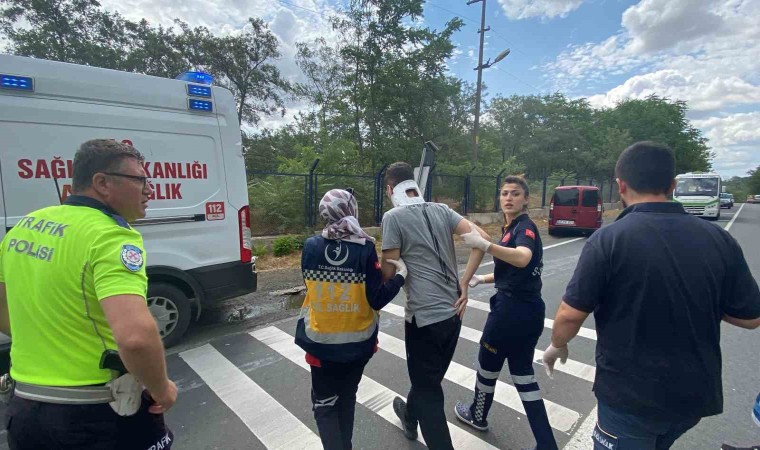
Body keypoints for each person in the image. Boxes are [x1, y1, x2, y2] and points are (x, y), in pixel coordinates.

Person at [542, 141, 760, 450]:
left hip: (631, 399)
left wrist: (557, 345)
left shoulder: (609, 239)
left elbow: (569, 314)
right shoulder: (719, 239)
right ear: (672, 185)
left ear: (621, 185)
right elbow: (751, 318)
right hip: (693, 396)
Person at [0, 139, 177, 450]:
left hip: (25, 410)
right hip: (96, 414)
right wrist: (162, 389)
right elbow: (136, 338)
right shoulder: (110, 236)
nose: (149, 190)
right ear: (102, 183)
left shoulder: (24, 227)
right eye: (139, 180)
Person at [380, 162, 488, 450]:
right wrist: (464, 282)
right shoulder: (442, 210)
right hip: (454, 313)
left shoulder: (393, 217)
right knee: (427, 380)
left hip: (424, 319)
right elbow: (483, 240)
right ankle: (409, 416)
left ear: (390, 189)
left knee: (428, 391)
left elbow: (388, 273)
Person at [295, 188, 408, 450]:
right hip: (358, 345)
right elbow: (377, 299)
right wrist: (400, 276)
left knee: (325, 406)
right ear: (351, 210)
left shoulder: (311, 246)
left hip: (320, 344)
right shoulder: (364, 248)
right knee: (347, 400)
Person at [454, 176, 558, 450]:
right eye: (504, 193)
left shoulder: (525, 228)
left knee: (487, 365)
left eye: (515, 193)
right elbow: (518, 271)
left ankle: (478, 415)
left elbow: (522, 258)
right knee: (523, 375)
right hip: (529, 311)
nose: (508, 198)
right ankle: (546, 443)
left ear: (526, 200)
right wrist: (484, 279)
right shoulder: (512, 228)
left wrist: (485, 246)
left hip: (509, 313)